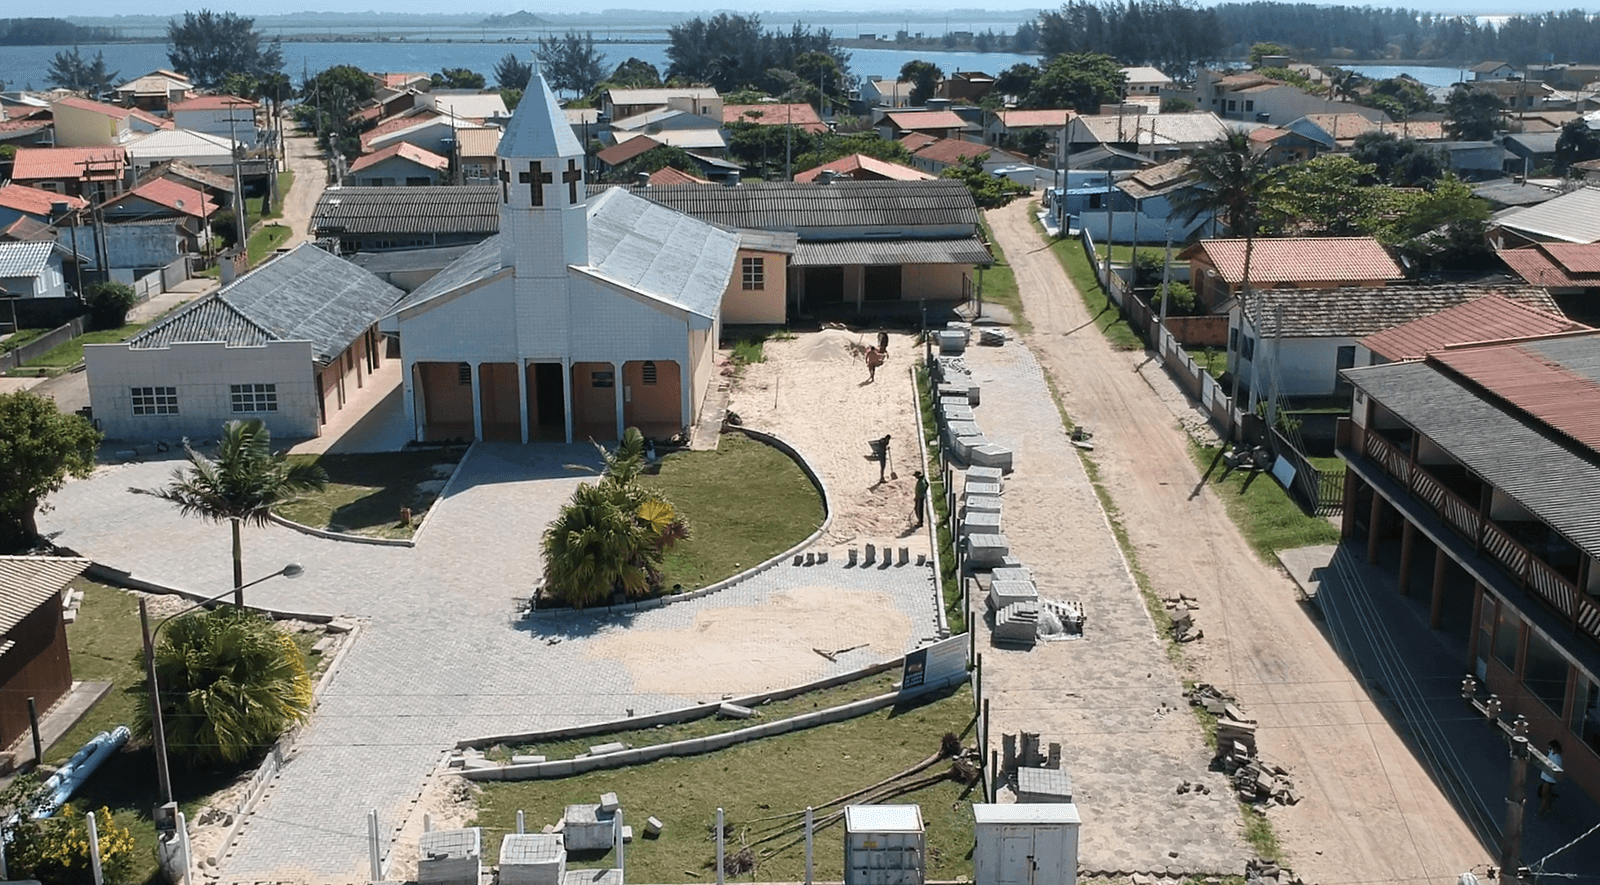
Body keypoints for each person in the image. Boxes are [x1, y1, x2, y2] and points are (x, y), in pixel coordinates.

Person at [1539, 739, 1563, 816]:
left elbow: (1556, 771)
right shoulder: (1551, 753)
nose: (1549, 749)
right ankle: (1548, 807)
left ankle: (1541, 812)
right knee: (1548, 794)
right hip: (1545, 776)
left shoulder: (1558, 759)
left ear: (1555, 748)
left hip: (1549, 779)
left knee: (1544, 795)